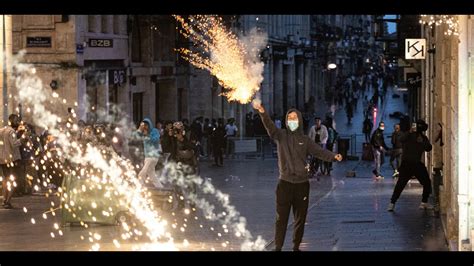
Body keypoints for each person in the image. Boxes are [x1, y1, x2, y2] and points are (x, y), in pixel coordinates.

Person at [252, 100, 342, 251]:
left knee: (300, 219)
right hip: (285, 184)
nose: (291, 120)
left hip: (302, 185)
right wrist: (262, 112)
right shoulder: (280, 135)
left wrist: (334, 156)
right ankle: (278, 246)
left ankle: (296, 246)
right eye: (289, 118)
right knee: (281, 218)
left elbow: (319, 152)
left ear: (299, 120)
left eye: (294, 118)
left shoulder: (305, 140)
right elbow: (269, 126)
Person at [387, 119, 433, 212]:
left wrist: (421, 141)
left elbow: (428, 148)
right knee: (401, 184)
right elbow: (401, 139)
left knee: (425, 182)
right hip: (410, 164)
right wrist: (410, 133)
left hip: (412, 164)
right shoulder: (410, 136)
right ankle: (392, 203)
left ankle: (423, 202)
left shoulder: (422, 138)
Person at [0, 114, 23, 209]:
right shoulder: (11, 131)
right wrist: (22, 139)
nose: (18, 122)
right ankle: (8, 201)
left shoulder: (1, 130)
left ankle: (4, 200)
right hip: (12, 159)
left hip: (2, 159)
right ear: (12, 121)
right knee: (13, 180)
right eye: (17, 120)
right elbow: (14, 144)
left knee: (6, 180)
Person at [132, 118, 162, 188]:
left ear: (149, 125)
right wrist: (139, 129)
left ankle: (139, 186)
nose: (145, 127)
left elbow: (156, 139)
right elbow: (134, 136)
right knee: (151, 174)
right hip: (147, 156)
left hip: (153, 156)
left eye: (146, 125)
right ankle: (160, 187)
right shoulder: (143, 132)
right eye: (143, 125)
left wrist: (147, 136)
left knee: (142, 173)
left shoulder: (154, 131)